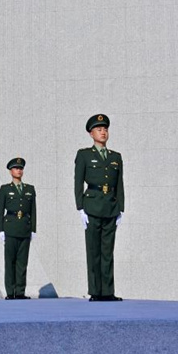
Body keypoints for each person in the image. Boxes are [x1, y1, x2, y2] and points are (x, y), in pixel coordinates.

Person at [74, 114, 124, 302]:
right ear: (91, 133)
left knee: (107, 252)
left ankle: (108, 291)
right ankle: (96, 291)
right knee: (94, 251)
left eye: (105, 129)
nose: (103, 132)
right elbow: (78, 182)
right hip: (92, 206)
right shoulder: (84, 155)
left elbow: (119, 184)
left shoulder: (115, 157)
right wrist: (80, 208)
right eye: (99, 129)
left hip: (110, 207)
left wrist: (121, 208)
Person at [0, 157, 36, 299]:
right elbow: (0, 210)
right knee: (10, 262)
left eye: (20, 168)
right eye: (16, 168)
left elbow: (33, 210)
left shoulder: (29, 189)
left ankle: (20, 292)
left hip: (24, 228)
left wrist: (33, 229)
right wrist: (0, 230)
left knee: (22, 262)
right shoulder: (5, 189)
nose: (19, 171)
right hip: (11, 228)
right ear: (10, 171)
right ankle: (10, 292)